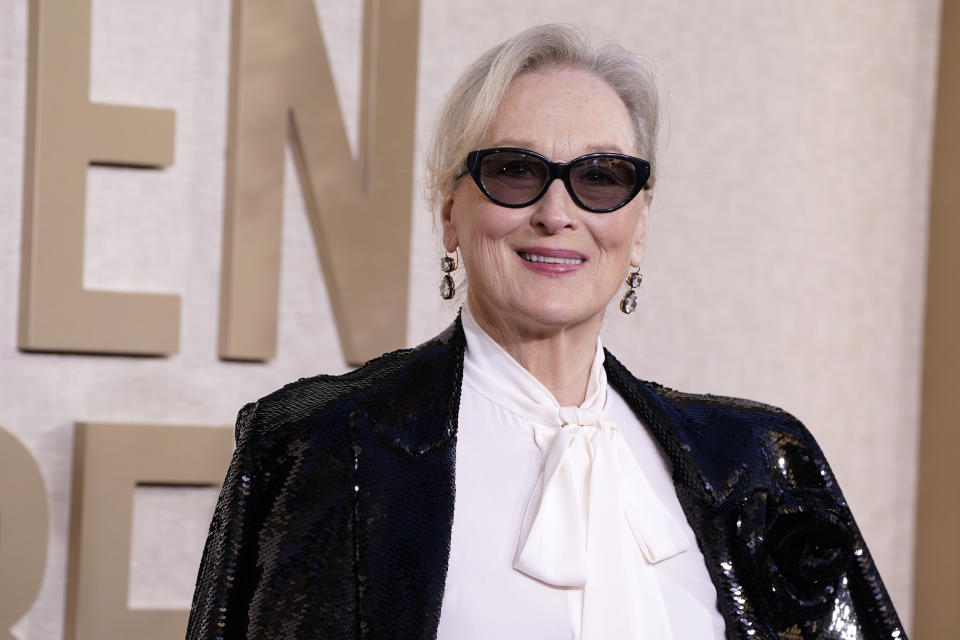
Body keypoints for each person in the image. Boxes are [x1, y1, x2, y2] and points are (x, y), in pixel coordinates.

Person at [187, 24, 906, 640]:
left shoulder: (758, 463)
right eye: (514, 170)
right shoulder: (321, 446)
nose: (557, 211)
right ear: (449, 210)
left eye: (600, 177)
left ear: (640, 222)